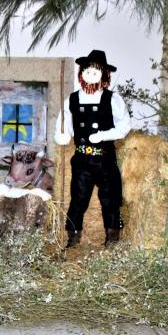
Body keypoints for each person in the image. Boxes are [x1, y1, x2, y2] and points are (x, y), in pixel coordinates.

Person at [55, 50, 132, 248]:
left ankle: (112, 239)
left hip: (105, 159)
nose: (91, 74)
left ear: (104, 74)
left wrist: (103, 135)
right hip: (82, 160)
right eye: (87, 70)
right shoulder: (72, 100)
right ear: (82, 73)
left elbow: (124, 127)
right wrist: (62, 136)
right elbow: (64, 123)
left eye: (96, 71)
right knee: (78, 199)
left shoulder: (113, 99)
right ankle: (73, 238)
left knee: (110, 199)